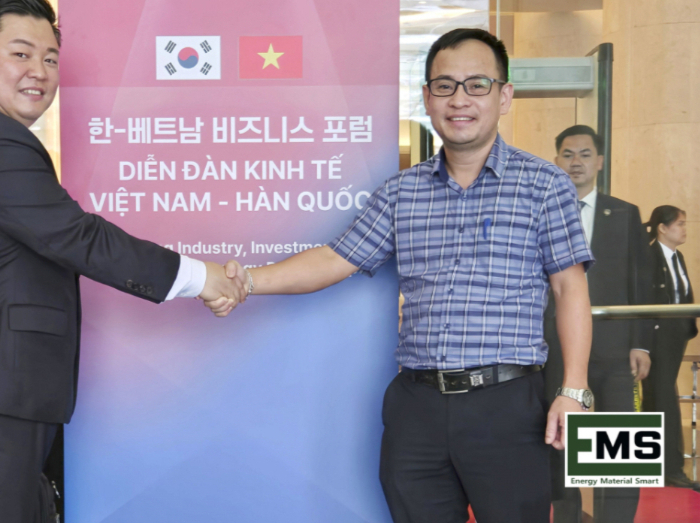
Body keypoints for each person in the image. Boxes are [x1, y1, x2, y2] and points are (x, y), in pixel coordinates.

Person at [209, 28, 594, 522]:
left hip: (506, 404)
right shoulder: (401, 192)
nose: (459, 100)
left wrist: (574, 389)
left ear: (504, 97)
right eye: (445, 86)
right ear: (427, 99)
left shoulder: (545, 185)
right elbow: (336, 258)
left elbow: (569, 287)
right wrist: (246, 281)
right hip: (418, 408)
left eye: (477, 85)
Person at [0, 0, 245, 523]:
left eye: (50, 58)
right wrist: (201, 277)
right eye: (20, 54)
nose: (39, 72)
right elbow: (77, 236)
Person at [544, 125, 652, 522]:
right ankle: (567, 516)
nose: (576, 162)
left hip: (615, 348)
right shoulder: (542, 211)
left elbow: (640, 281)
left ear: (600, 162)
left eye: (585, 154)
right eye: (568, 154)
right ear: (556, 161)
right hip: (555, 347)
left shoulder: (624, 213)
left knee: (619, 443)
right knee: (559, 441)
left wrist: (640, 343)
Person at [642, 205, 699, 491]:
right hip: (657, 336)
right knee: (662, 397)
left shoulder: (678, 257)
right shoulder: (650, 256)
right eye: (680, 224)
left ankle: (660, 465)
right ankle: (671, 467)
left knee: (661, 395)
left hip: (677, 334)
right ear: (662, 228)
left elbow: (682, 295)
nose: (685, 229)